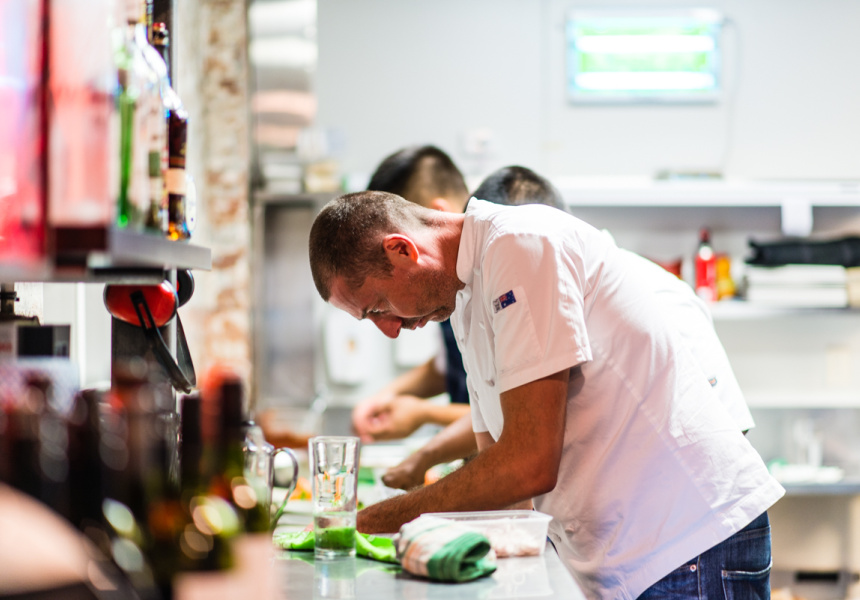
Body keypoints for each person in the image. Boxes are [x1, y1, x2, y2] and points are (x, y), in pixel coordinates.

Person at [307, 189, 785, 599]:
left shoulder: (521, 245)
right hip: (625, 556)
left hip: (689, 540)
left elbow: (528, 464)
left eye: (378, 308)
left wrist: (367, 523)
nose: (389, 330)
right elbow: (498, 480)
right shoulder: (466, 301)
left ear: (401, 250)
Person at [350, 145, 472, 449]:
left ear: (439, 215)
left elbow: (513, 416)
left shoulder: (504, 278)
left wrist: (423, 414)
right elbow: (447, 367)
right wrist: (386, 397)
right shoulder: (450, 283)